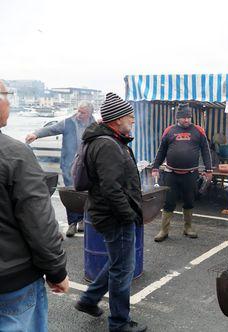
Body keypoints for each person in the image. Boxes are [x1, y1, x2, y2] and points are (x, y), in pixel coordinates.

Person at [0, 80, 69, 331]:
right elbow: (38, 222)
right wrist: (57, 271)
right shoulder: (13, 154)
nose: (9, 102)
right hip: (11, 284)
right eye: (7, 96)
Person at [74, 93, 146, 332]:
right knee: (123, 270)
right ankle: (119, 323)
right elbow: (111, 188)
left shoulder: (109, 140)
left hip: (108, 214)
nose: (133, 120)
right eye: (129, 117)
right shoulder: (107, 144)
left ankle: (88, 300)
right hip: (114, 216)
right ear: (116, 121)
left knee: (119, 263)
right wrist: (128, 214)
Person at [26, 101, 96, 237]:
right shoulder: (68, 123)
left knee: (86, 194)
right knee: (71, 193)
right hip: (70, 166)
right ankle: (72, 223)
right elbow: (51, 129)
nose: (79, 114)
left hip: (87, 165)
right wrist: (35, 134)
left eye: (83, 112)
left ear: (89, 113)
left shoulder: (94, 124)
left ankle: (82, 220)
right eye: (78, 111)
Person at [152, 104, 213, 241]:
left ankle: (188, 227)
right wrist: (155, 167)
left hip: (191, 174)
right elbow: (161, 151)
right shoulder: (169, 131)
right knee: (168, 202)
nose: (187, 120)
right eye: (184, 117)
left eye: (188, 117)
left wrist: (209, 170)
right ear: (178, 118)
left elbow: (205, 151)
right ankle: (164, 230)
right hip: (171, 174)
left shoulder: (198, 131)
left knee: (189, 201)